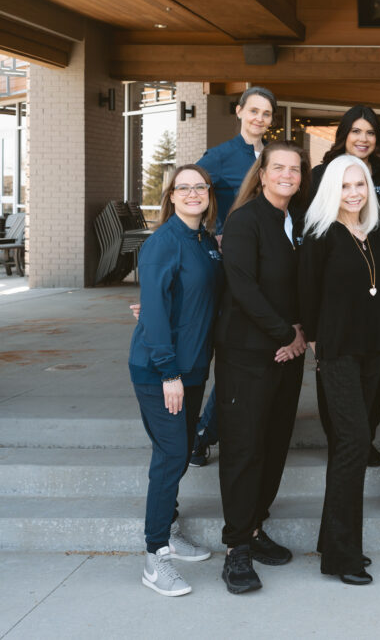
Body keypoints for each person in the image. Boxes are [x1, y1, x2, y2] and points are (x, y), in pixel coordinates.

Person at [215, 141, 309, 593]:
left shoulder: (297, 221)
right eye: (279, 168)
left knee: (273, 445)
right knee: (244, 448)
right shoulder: (244, 219)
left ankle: (255, 527)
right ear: (264, 173)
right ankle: (236, 548)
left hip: (287, 354)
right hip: (248, 356)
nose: (288, 175)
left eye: (295, 168)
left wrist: (300, 333)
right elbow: (243, 287)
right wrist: (286, 334)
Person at [128, 165, 222, 596]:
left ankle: (169, 528)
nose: (191, 193)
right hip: (161, 371)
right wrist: (168, 371)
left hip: (193, 367)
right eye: (182, 187)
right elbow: (156, 310)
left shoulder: (204, 241)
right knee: (170, 457)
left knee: (180, 454)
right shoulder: (162, 243)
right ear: (170, 196)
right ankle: (155, 557)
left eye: (198, 186)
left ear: (208, 194)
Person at [300, 155, 380, 586]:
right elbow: (306, 299)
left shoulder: (373, 231)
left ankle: (330, 540)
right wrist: (319, 346)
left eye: (360, 184)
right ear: (331, 189)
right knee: (354, 442)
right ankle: (342, 555)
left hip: (376, 352)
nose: (354, 193)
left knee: (350, 444)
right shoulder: (320, 235)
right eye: (345, 185)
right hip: (338, 355)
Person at [190, 86, 278, 467]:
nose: (259, 118)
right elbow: (190, 194)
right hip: (232, 268)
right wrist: (214, 232)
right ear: (240, 111)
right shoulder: (220, 156)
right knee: (231, 353)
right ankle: (203, 431)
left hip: (268, 266)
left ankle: (215, 428)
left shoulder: (273, 157)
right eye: (254, 111)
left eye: (267, 113)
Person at [311, 106, 380, 468]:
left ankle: (365, 437)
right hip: (338, 295)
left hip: (375, 290)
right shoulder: (320, 175)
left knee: (376, 376)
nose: (363, 138)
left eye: (370, 132)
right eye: (356, 131)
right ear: (343, 134)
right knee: (337, 376)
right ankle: (343, 439)